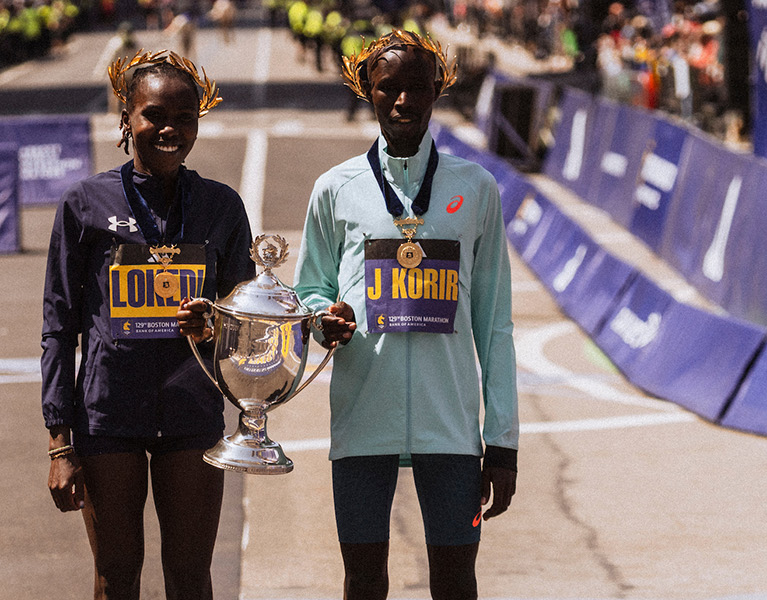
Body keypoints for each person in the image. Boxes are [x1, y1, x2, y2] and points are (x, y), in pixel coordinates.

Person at [282, 30, 521, 599]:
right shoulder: (334, 189)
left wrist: (504, 441)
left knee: (456, 582)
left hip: (453, 428)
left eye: (418, 88)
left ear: (439, 88)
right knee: (364, 581)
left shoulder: (477, 188)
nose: (404, 102)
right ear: (367, 91)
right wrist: (322, 319)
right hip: (364, 420)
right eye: (389, 88)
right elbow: (308, 288)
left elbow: (496, 324)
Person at [42, 50, 254, 599]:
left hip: (191, 413)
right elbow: (59, 326)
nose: (169, 129)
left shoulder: (220, 206)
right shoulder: (85, 204)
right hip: (108, 416)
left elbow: (248, 318)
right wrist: (59, 442)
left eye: (185, 118)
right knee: (117, 576)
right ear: (126, 117)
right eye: (154, 115)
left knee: (189, 578)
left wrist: (218, 319)